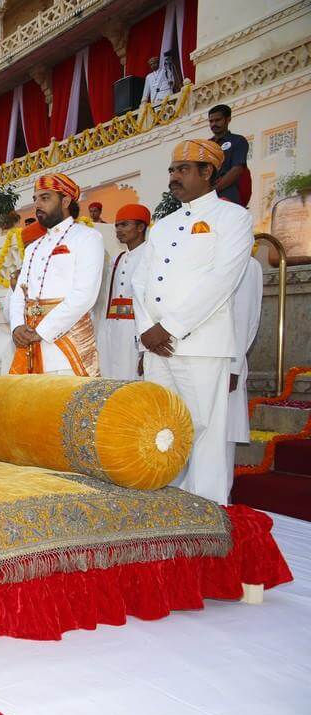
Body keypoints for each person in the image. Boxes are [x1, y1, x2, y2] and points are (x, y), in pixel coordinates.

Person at [133, 139, 254, 505]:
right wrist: (146, 332)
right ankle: (167, 505)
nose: (174, 177)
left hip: (202, 344)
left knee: (204, 430)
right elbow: (141, 280)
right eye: (172, 169)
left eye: (183, 169)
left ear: (208, 173)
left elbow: (222, 280)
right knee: (161, 429)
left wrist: (168, 328)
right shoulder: (164, 225)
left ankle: (208, 512)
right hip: (158, 348)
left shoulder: (233, 218)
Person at [9, 173, 104, 376]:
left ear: (66, 201)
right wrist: (17, 327)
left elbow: (84, 295)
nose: (37, 205)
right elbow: (19, 293)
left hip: (68, 345)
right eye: (35, 199)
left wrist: (41, 332)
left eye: (45, 198)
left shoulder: (87, 238)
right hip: (30, 346)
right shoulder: (33, 247)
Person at [95, 204, 150, 380]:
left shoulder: (151, 255)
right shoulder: (119, 257)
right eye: (117, 225)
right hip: (114, 330)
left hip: (138, 330)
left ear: (141, 227)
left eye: (124, 225)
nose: (118, 230)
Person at [226, 255, 263, 497]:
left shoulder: (248, 265)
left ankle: (218, 502)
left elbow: (244, 318)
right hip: (197, 361)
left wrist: (234, 367)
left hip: (227, 363)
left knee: (221, 439)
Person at [208, 104, 252, 207]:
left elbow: (237, 169)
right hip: (207, 197)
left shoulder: (238, 141)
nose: (213, 124)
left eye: (218, 120)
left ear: (228, 119)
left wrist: (213, 189)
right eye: (211, 121)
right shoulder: (206, 145)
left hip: (228, 195)